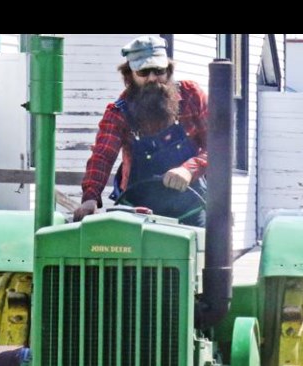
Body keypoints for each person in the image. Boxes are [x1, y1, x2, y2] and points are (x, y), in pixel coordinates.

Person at [73, 35, 208, 225]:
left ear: (168, 70)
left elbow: (219, 148)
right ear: (130, 75)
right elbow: (102, 157)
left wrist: (189, 169)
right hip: (139, 210)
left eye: (159, 71)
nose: (153, 78)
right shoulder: (118, 112)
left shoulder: (192, 95)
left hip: (191, 205)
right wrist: (90, 198)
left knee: (205, 248)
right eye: (144, 72)